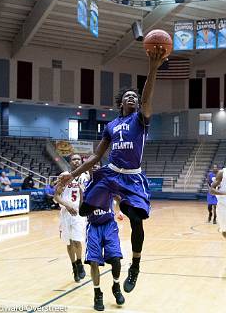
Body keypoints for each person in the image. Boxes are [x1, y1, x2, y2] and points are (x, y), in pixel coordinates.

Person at [57, 46, 166, 293]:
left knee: (136, 220)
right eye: (128, 96)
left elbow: (147, 97)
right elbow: (96, 156)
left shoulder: (141, 120)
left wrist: (152, 68)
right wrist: (71, 175)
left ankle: (135, 266)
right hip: (110, 173)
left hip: (132, 178)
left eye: (135, 97)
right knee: (84, 210)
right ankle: (97, 238)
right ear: (120, 103)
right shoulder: (111, 126)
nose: (133, 98)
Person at [84, 194, 125, 311]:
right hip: (93, 227)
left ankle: (116, 286)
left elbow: (120, 198)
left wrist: (121, 210)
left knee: (116, 259)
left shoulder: (109, 185)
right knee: (93, 262)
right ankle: (97, 293)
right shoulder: (88, 188)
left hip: (109, 225)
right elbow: (82, 207)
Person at [54, 154, 89, 282]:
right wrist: (67, 205)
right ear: (70, 162)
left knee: (77, 240)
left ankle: (80, 263)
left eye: (78, 159)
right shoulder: (65, 176)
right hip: (65, 212)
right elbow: (56, 196)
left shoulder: (86, 177)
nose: (76, 161)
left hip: (79, 213)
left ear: (81, 162)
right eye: (73, 159)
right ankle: (74, 266)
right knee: (69, 242)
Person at [210, 167, 226, 239]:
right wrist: (224, 193)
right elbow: (211, 190)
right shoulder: (222, 173)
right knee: (224, 231)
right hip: (223, 206)